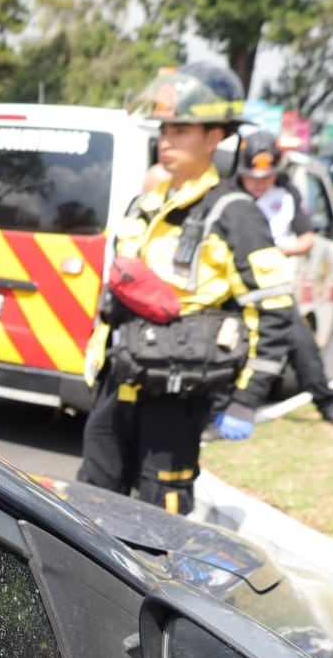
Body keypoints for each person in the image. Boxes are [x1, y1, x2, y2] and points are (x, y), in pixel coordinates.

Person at [76, 62, 296, 516]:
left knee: (160, 517)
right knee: (90, 505)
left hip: (177, 393)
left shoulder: (234, 213)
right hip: (118, 381)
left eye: (181, 130)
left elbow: (273, 309)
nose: (167, 140)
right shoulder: (144, 205)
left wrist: (246, 400)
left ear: (214, 137)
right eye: (164, 129)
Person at [205, 130, 333, 436]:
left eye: (266, 176)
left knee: (303, 347)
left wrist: (276, 251)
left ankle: (327, 403)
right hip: (234, 288)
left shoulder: (287, 195)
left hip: (273, 287)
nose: (259, 183)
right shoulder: (227, 195)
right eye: (253, 177)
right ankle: (215, 416)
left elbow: (306, 238)